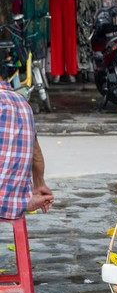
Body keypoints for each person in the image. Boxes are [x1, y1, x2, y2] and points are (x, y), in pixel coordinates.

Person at [1, 80, 54, 221]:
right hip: (14, 205)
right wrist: (39, 184)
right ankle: (17, 200)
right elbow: (36, 153)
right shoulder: (23, 104)